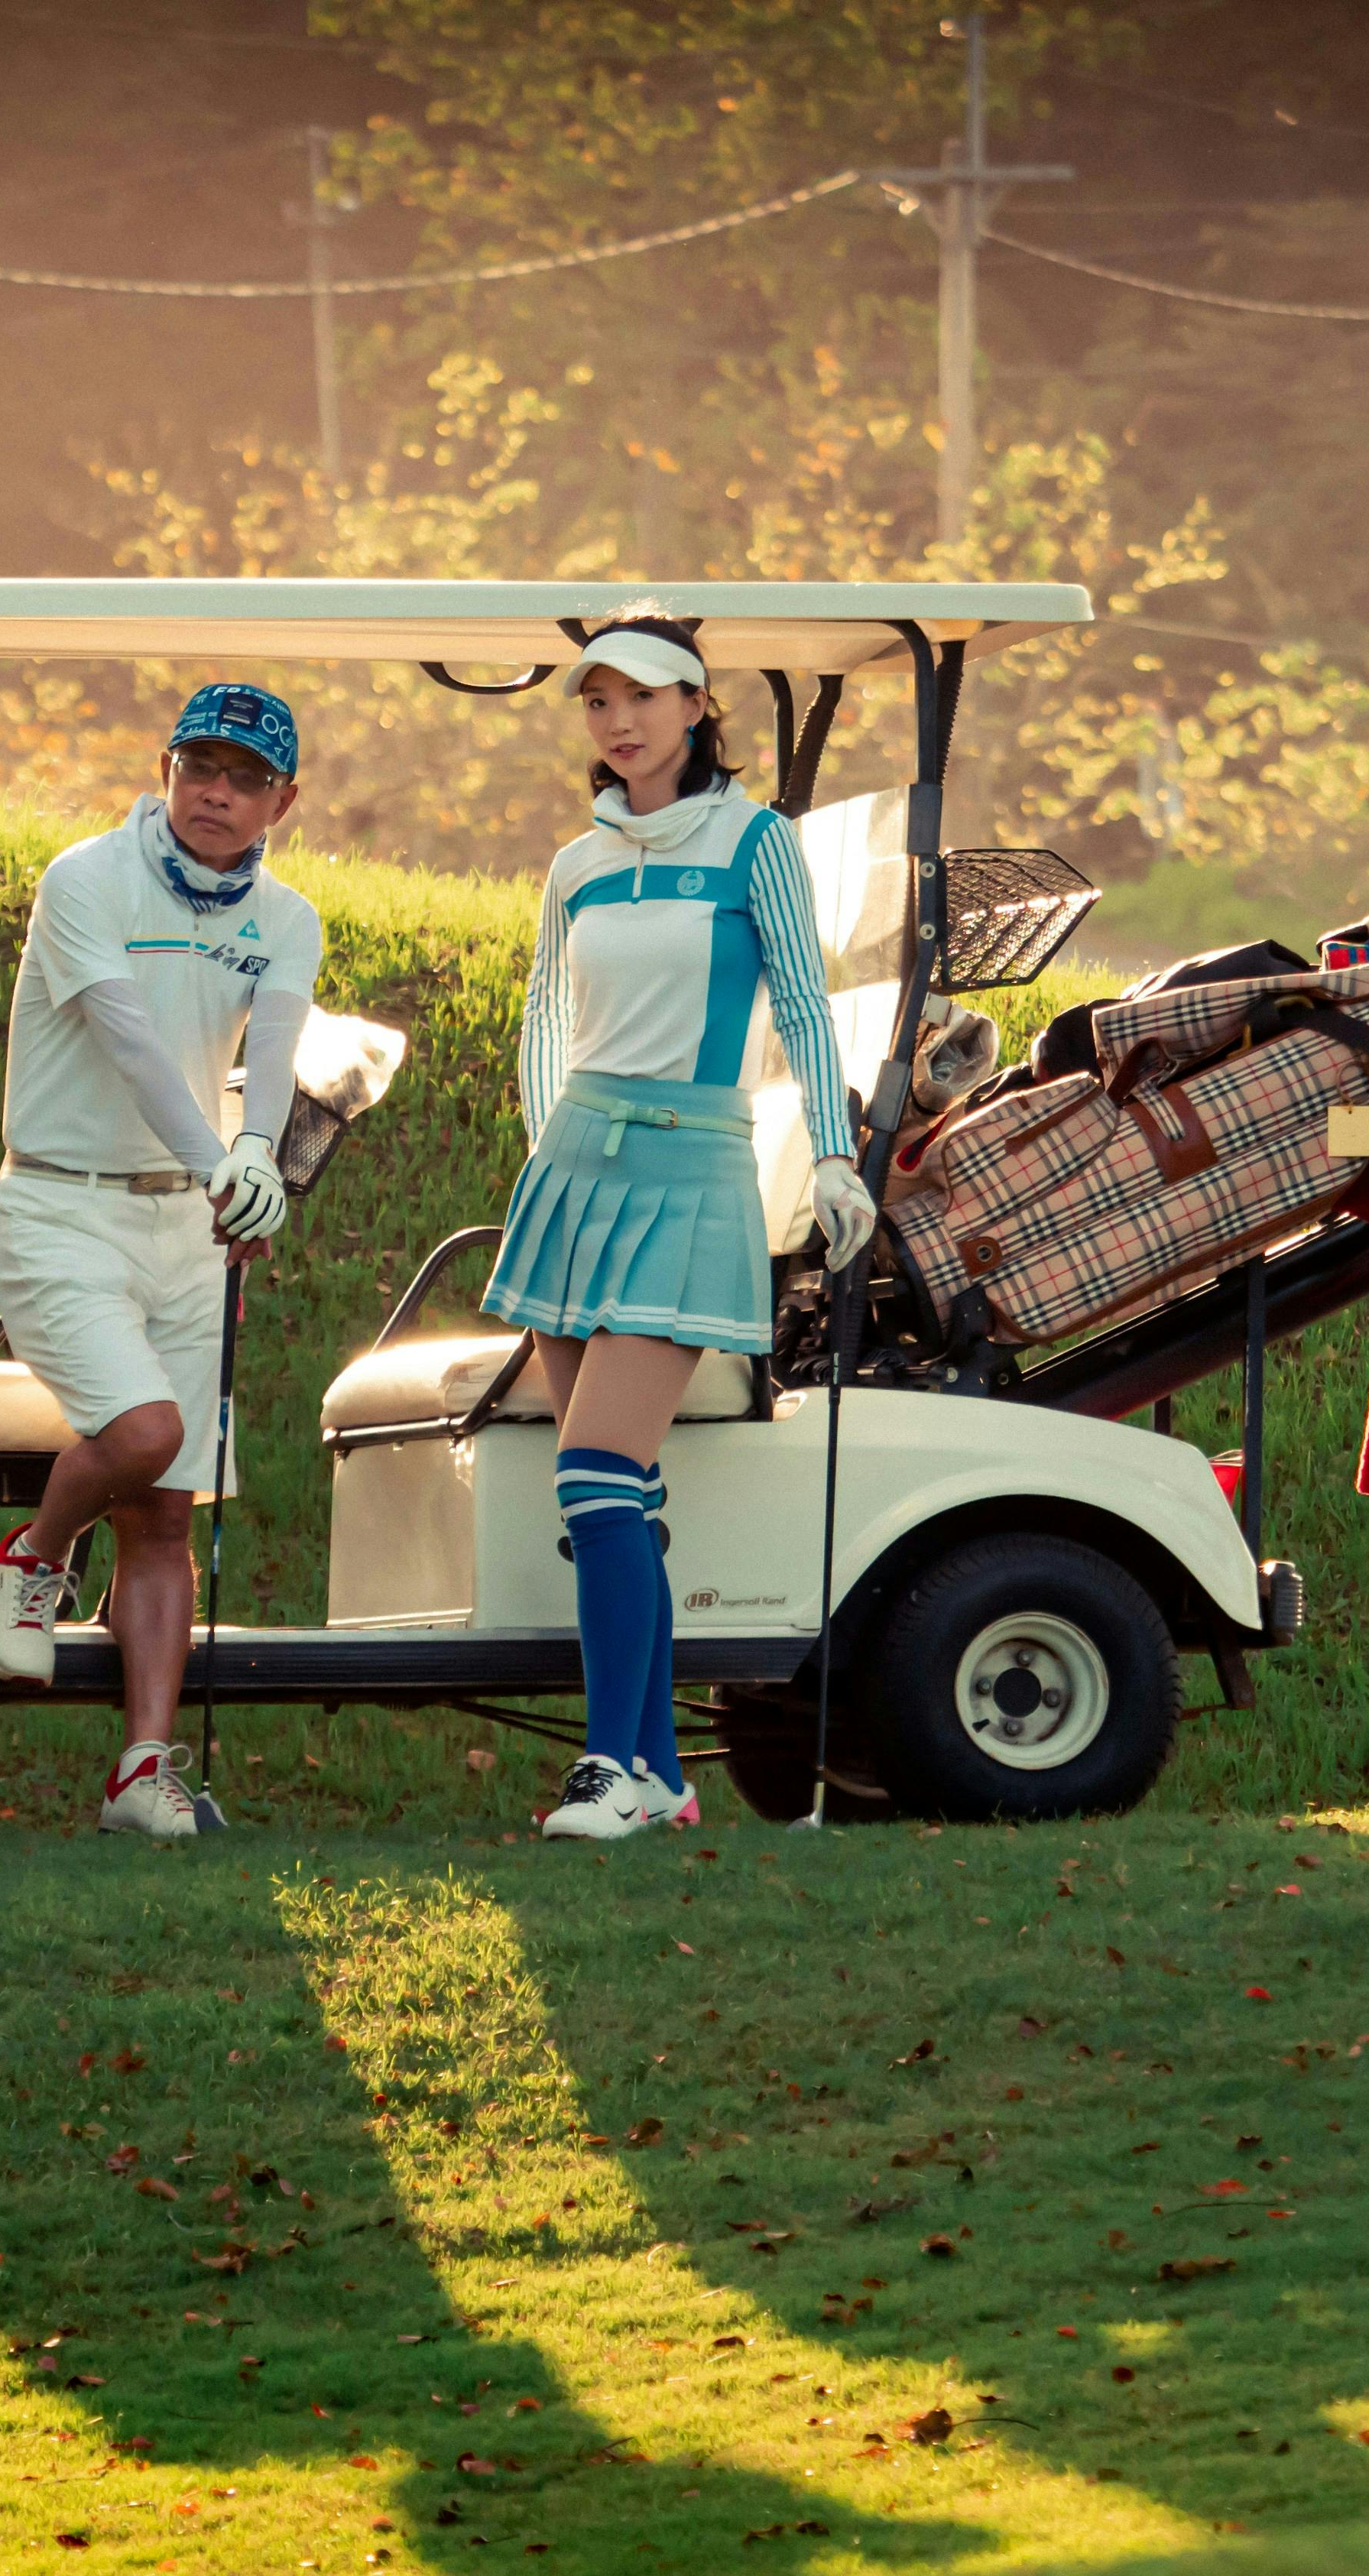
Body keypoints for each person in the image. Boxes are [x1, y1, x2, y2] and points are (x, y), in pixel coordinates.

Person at [482, 611, 871, 1842]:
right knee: (614, 1493)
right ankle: (655, 1771)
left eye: (643, 697)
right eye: (597, 703)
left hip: (690, 1169)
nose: (619, 722)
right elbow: (545, 1017)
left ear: (698, 705)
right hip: (573, 1171)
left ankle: (610, 1768)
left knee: (597, 1472)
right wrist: (547, 1143)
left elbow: (804, 1009)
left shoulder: (754, 840)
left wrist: (832, 1153)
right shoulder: (575, 863)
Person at [0, 683, 322, 1839]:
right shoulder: (86, 879)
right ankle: (36, 1552)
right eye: (200, 768)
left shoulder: (289, 917)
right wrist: (224, 1162)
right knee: (144, 1435)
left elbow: (269, 1051)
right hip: (61, 1210)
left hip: (187, 1230)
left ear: (282, 797)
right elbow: (127, 1041)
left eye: (246, 778)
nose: (217, 793)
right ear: (165, 766)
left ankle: (141, 1771)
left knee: (166, 1519)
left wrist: (259, 1154)